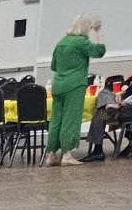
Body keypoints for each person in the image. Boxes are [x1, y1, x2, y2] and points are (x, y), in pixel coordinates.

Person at [45, 15, 106, 163]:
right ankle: (67, 155)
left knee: (56, 120)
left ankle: (51, 154)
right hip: (75, 85)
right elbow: (99, 51)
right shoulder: (82, 42)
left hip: (58, 85)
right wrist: (98, 33)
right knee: (71, 119)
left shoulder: (61, 42)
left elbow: (54, 66)